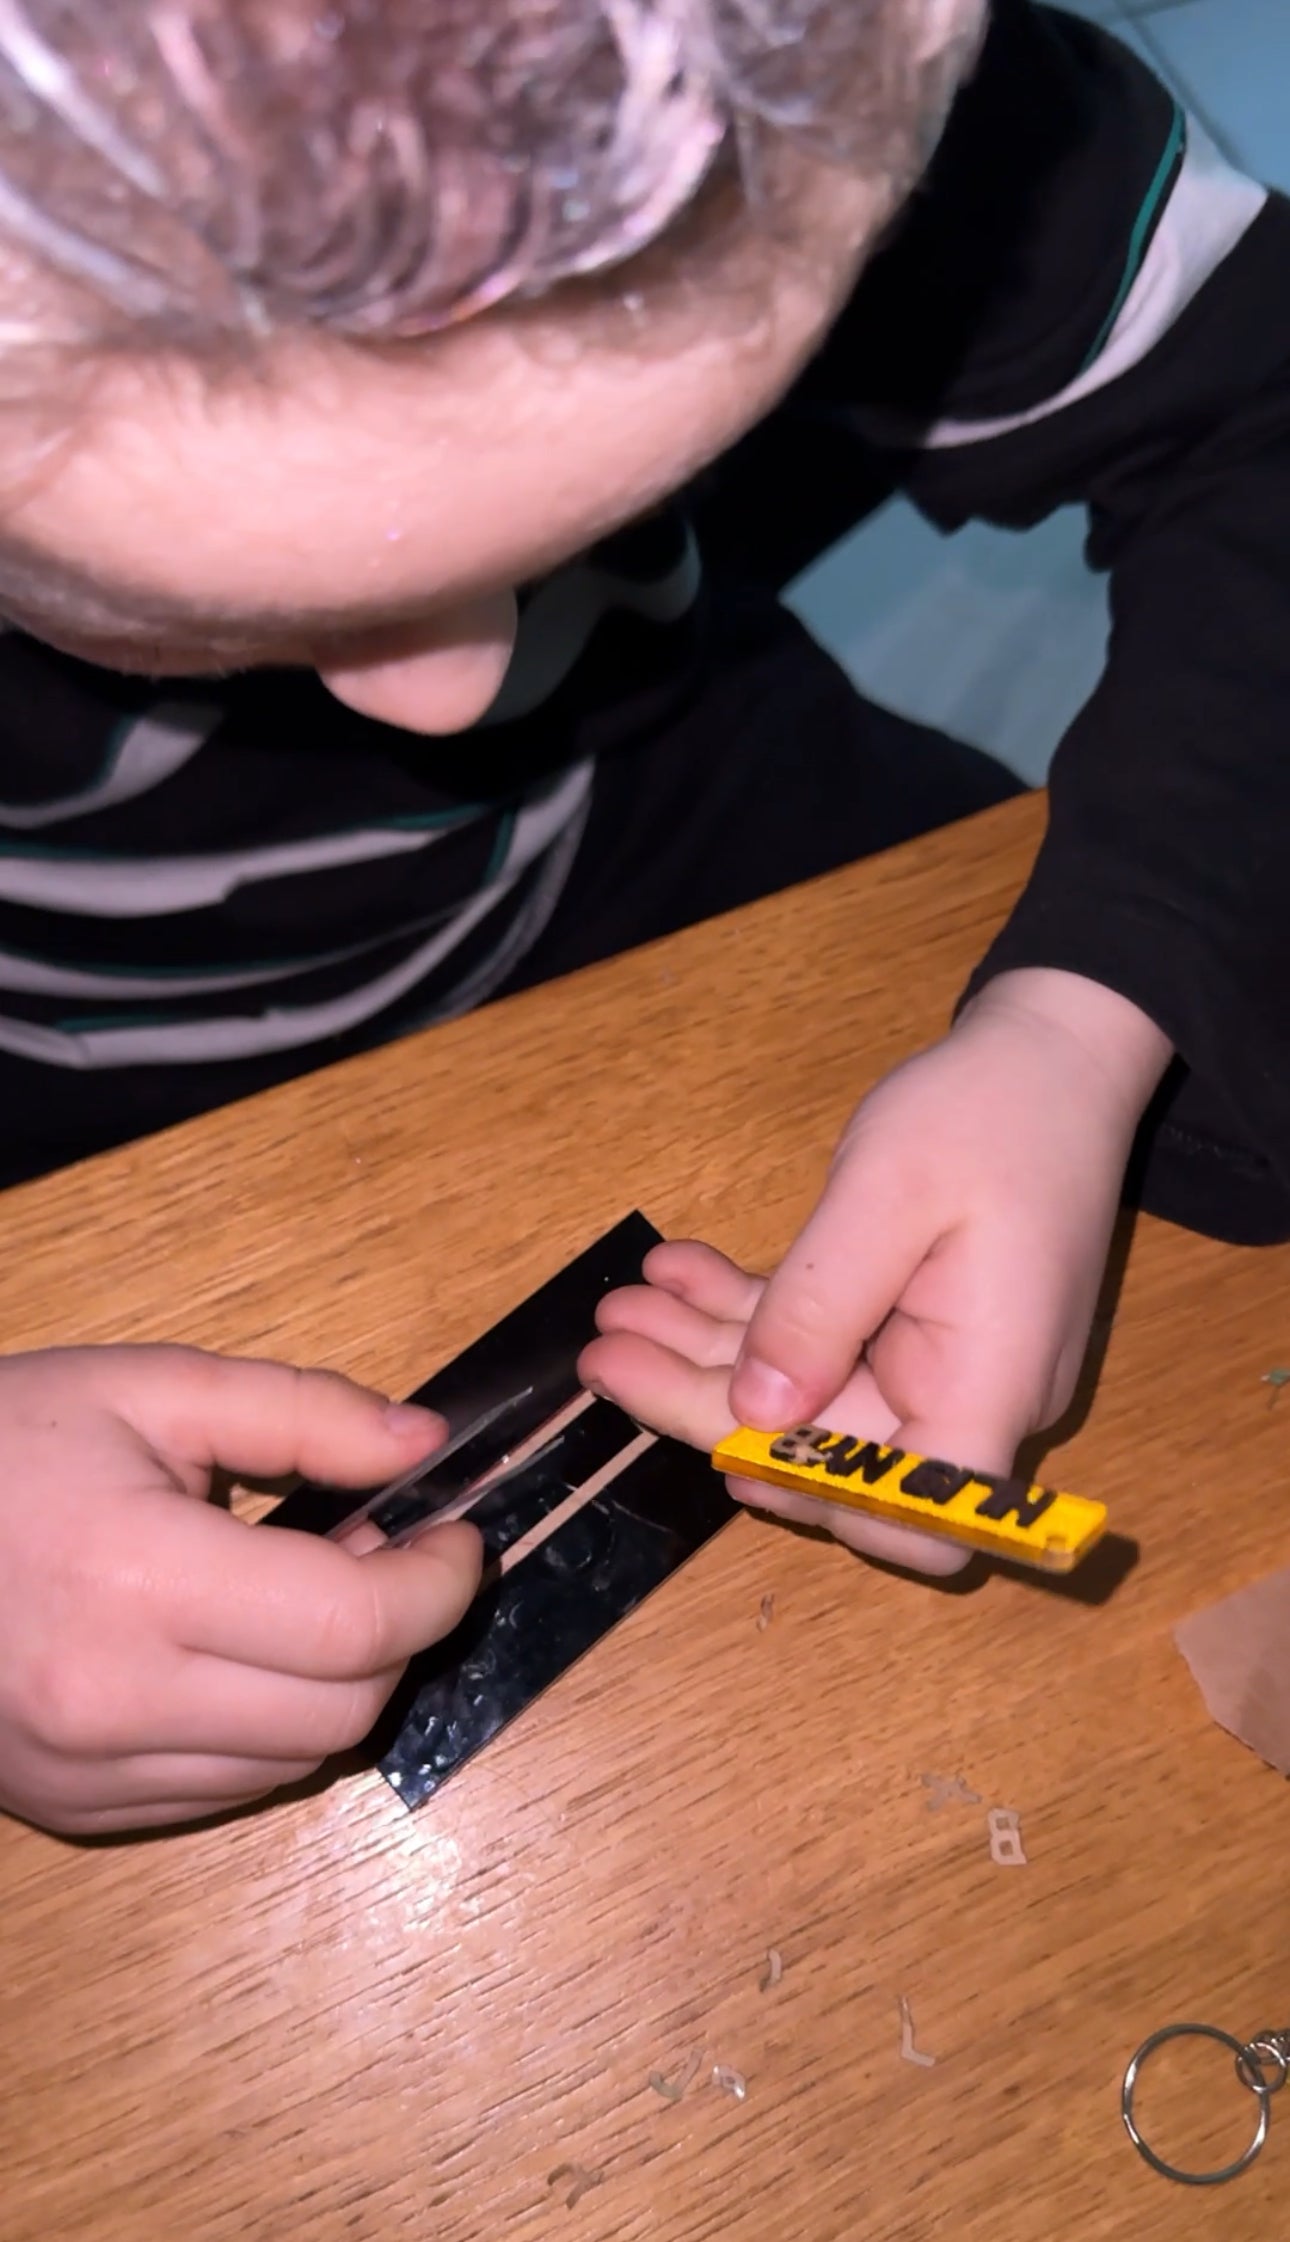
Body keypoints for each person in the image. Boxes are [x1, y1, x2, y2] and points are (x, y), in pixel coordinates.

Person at [0, 0, 1286, 1836]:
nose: (462, 696)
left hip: (674, 815)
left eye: (570, 513)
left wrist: (1086, 1015)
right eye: (135, 591)